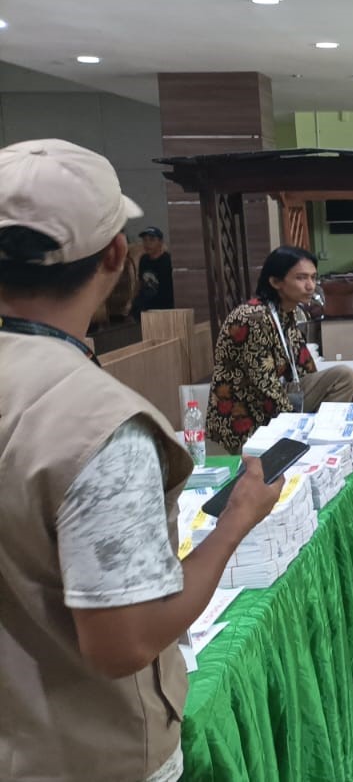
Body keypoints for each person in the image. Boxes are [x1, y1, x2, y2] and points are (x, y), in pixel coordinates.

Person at [0, 139, 281, 782]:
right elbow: (123, 642)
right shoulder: (95, 421)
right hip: (85, 753)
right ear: (116, 255)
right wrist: (236, 522)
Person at [208, 246, 353, 453]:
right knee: (338, 379)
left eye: (313, 278)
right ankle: (309, 446)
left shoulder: (286, 313)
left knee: (344, 376)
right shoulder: (253, 317)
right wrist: (299, 425)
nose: (310, 286)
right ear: (276, 282)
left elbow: (304, 367)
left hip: (278, 401)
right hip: (246, 410)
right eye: (301, 278)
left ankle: (324, 441)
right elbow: (264, 386)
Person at [134, 226, 174, 313]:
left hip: (164, 308)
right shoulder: (143, 259)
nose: (147, 243)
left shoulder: (168, 261)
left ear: (160, 242)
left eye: (152, 240)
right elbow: (141, 283)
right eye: (145, 240)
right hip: (145, 306)